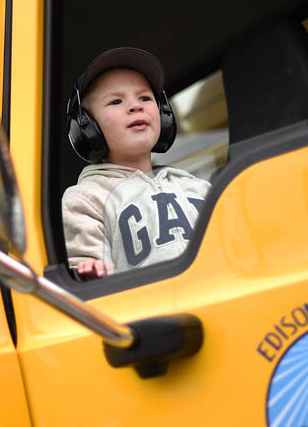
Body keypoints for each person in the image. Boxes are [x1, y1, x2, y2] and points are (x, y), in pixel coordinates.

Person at [63, 47, 210, 278]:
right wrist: (91, 274)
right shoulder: (86, 199)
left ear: (163, 113)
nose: (135, 106)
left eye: (144, 97)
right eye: (116, 101)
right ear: (87, 127)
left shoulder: (197, 187)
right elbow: (85, 267)